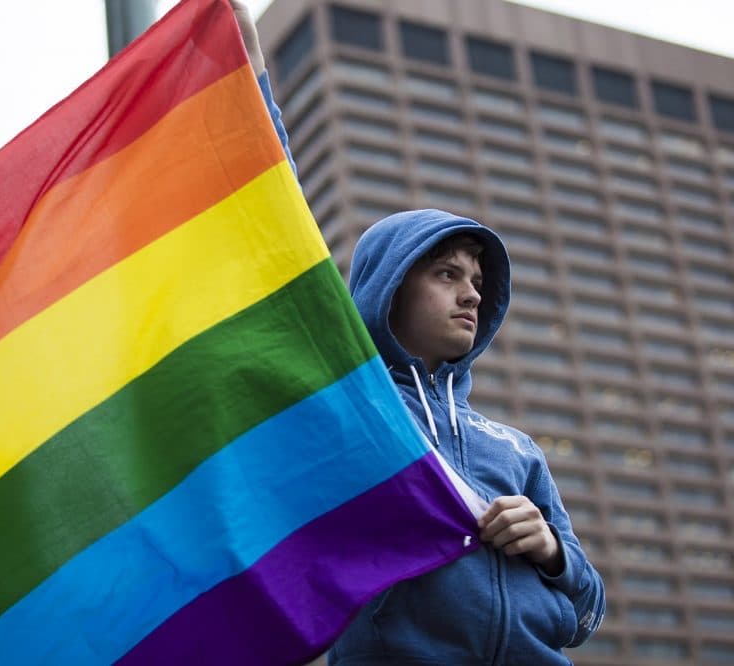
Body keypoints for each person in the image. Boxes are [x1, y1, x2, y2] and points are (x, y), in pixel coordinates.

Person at [230, 3, 605, 664]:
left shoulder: (515, 448)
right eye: (445, 273)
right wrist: (247, 68)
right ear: (390, 285)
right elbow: (276, 232)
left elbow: (585, 613)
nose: (471, 293)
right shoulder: (353, 405)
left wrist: (548, 547)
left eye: (479, 282)